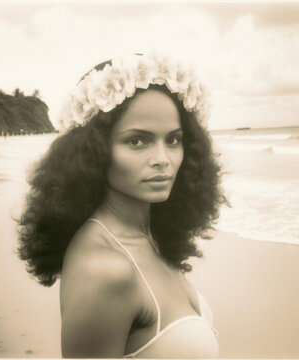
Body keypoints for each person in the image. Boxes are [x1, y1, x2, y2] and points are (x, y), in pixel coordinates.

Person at [18, 53, 226, 358]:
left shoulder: (148, 237)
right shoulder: (104, 269)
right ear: (94, 151)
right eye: (137, 141)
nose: (163, 158)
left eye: (173, 139)